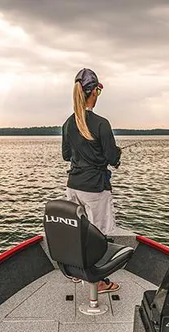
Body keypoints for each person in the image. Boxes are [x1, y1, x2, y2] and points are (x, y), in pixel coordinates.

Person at [62, 67, 122, 293]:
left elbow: (66, 155)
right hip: (95, 189)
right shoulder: (101, 123)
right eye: (98, 90)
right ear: (94, 91)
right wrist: (116, 154)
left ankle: (76, 272)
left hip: (73, 187)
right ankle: (98, 281)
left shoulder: (68, 124)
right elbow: (111, 157)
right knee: (99, 234)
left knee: (78, 231)